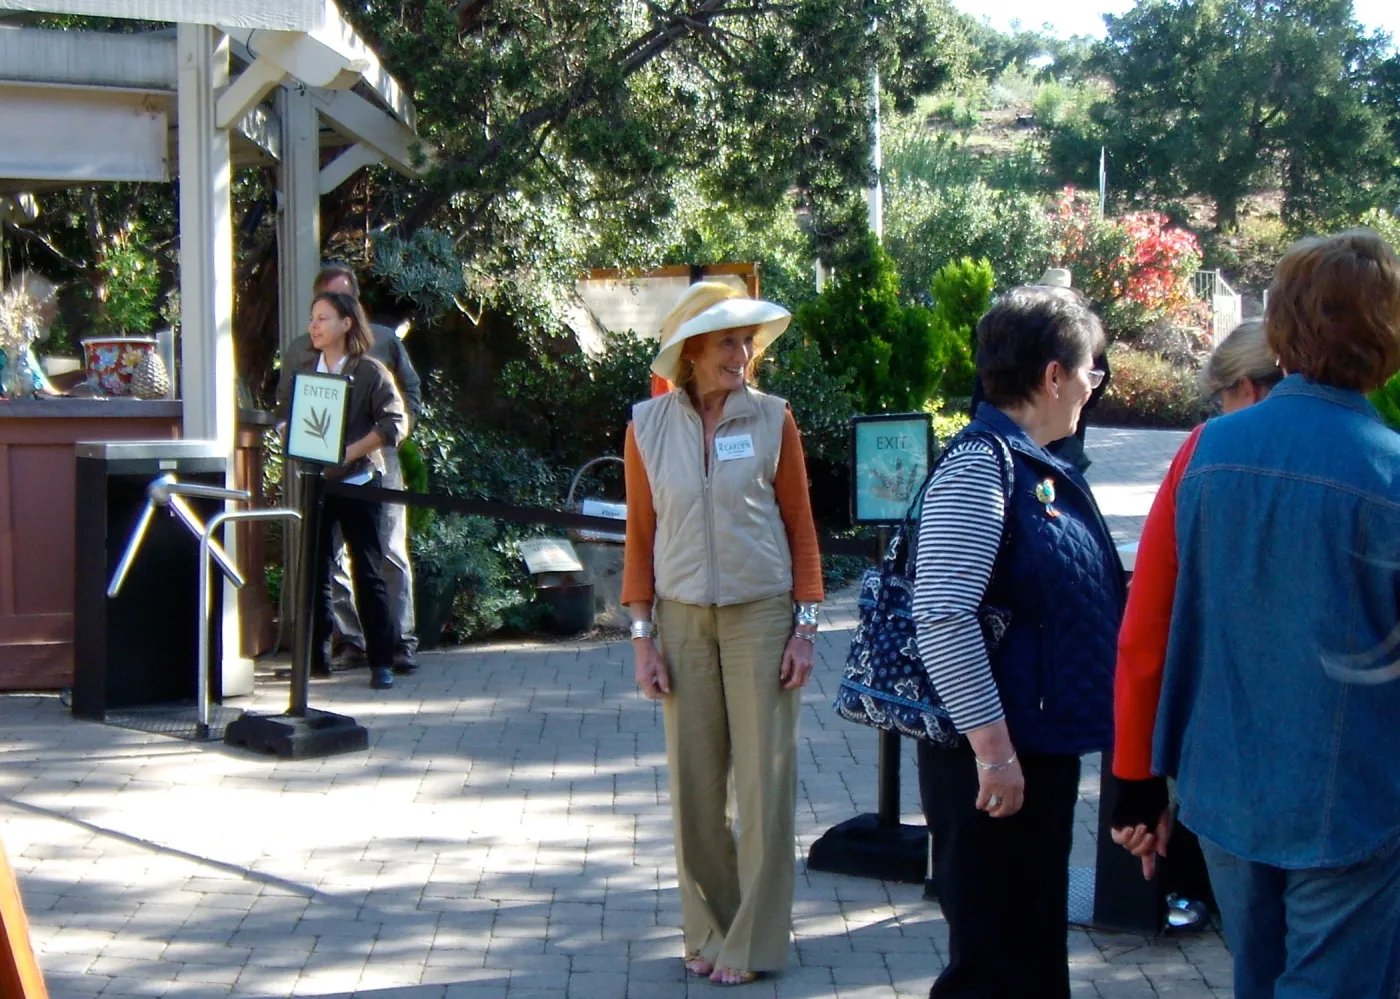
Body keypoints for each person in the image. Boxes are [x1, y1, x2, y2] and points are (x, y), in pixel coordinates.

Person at [1145, 230, 1400, 999]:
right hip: (1350, 797)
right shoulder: (1387, 472)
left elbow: (1179, 620)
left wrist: (1155, 770)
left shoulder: (1212, 451)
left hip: (1225, 782)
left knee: (1256, 977)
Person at [914, 285, 1124, 999]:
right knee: (994, 964)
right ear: (1052, 376)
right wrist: (994, 752)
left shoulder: (1034, 461)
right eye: (1091, 370)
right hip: (996, 763)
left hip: (1034, 750)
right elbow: (943, 616)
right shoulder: (983, 466)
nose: (1094, 386)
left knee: (1028, 956)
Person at [622, 281, 824, 987]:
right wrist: (642, 637)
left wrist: (805, 626)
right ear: (694, 351)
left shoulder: (773, 418)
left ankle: (754, 941)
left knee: (765, 785)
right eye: (729, 342)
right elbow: (640, 537)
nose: (744, 353)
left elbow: (801, 527)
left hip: (762, 615)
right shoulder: (646, 424)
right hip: (680, 620)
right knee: (696, 788)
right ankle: (708, 926)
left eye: (747, 341)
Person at [1109, 318, 1281, 929]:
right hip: (1354, 778)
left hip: (1226, 762)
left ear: (1248, 387)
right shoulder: (1380, 453)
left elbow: (1146, 627)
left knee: (1259, 957)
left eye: (1220, 397)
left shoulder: (1205, 451)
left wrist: (1137, 781)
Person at [282, 264, 424, 673]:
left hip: (364, 478)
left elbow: (395, 421)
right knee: (318, 571)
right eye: (312, 318)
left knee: (373, 566)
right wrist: (296, 439)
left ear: (348, 319)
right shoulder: (304, 365)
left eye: (323, 318)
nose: (314, 326)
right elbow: (288, 412)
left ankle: (388, 655)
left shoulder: (372, 364)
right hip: (317, 482)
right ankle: (318, 659)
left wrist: (351, 452)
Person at [966, 268, 1110, 472]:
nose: (1088, 389)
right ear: (1054, 377)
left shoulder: (1079, 338)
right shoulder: (981, 467)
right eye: (1087, 374)